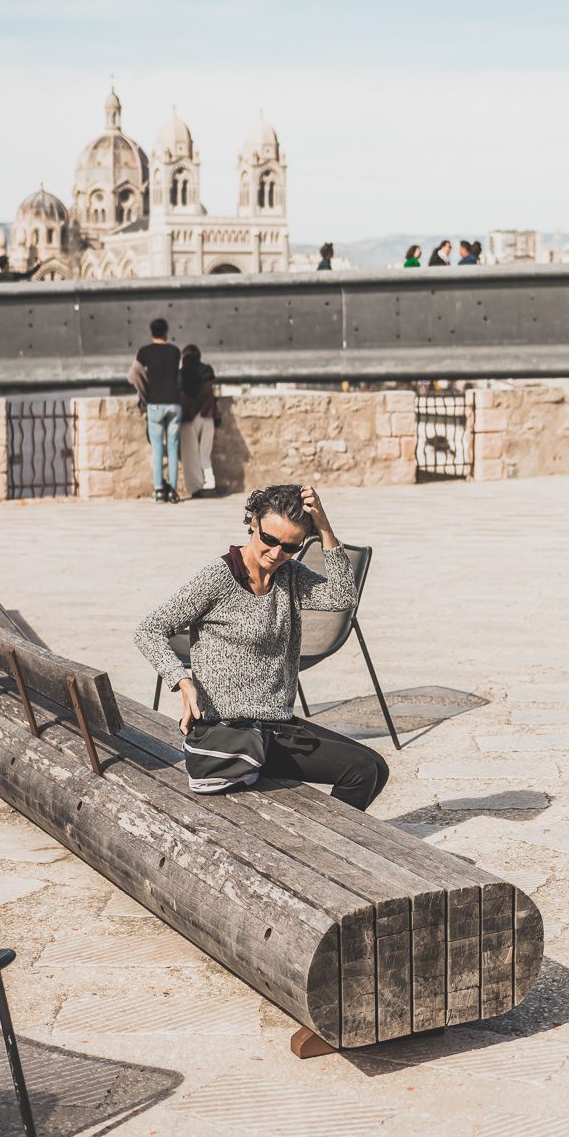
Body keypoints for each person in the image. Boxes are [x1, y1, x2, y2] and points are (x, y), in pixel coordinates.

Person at [134, 483, 389, 810]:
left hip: (276, 722)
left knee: (377, 765)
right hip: (236, 734)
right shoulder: (220, 577)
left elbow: (343, 597)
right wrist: (182, 681)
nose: (276, 553)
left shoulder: (290, 575)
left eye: (290, 547)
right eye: (269, 539)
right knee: (361, 769)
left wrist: (324, 526)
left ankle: (341, 841)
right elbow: (149, 629)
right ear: (252, 523)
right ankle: (329, 846)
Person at [127, 317, 182, 503]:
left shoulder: (144, 352)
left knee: (158, 449)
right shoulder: (175, 352)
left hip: (155, 404)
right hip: (174, 403)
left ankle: (159, 490)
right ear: (166, 332)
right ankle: (173, 490)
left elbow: (132, 375)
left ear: (151, 332)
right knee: (173, 449)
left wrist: (144, 393)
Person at [179, 344, 219, 499]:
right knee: (205, 454)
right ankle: (210, 483)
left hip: (189, 418)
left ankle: (196, 488)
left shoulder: (182, 374)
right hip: (206, 415)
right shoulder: (207, 371)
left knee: (190, 456)